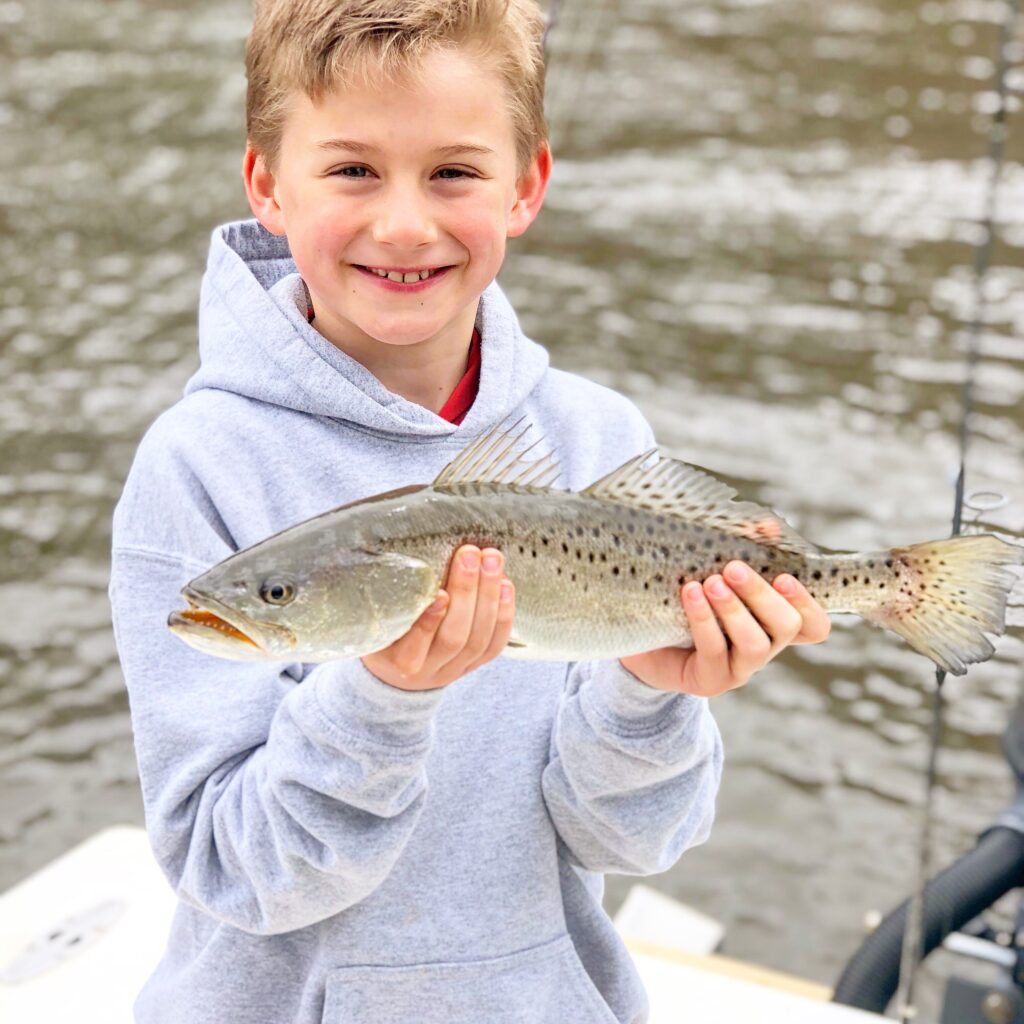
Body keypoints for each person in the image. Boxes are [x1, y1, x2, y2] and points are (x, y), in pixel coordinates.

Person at [109, 1, 831, 1021]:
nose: (403, 223)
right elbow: (238, 874)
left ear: (526, 185)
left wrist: (646, 691)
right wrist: (380, 698)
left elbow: (633, 844)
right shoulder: (198, 467)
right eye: (352, 169)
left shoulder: (596, 435)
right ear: (266, 183)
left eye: (452, 171)